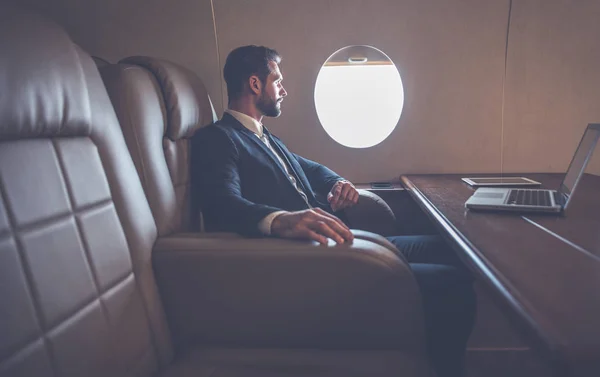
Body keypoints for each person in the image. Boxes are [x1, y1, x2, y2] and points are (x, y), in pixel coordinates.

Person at [191, 45, 476, 377]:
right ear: (255, 84)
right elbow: (222, 204)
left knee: (450, 249)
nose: (284, 90)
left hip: (342, 239)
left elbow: (311, 169)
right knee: (452, 283)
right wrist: (282, 220)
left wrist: (336, 182)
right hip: (313, 260)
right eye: (277, 80)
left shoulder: (265, 137)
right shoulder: (219, 139)